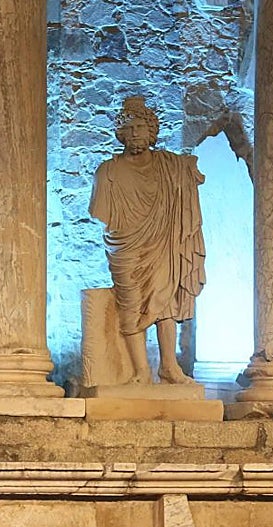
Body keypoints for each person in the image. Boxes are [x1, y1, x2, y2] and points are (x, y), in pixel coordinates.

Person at [89, 96, 206, 386]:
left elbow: (191, 174)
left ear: (152, 131)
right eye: (128, 128)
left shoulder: (169, 165)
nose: (134, 133)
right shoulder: (108, 171)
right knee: (130, 304)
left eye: (140, 126)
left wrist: (189, 170)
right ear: (120, 133)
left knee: (164, 301)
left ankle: (169, 366)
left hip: (161, 242)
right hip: (125, 245)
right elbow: (101, 212)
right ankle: (141, 371)